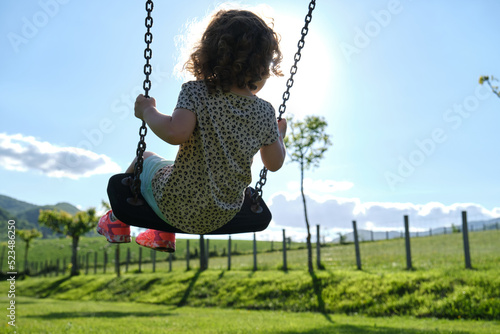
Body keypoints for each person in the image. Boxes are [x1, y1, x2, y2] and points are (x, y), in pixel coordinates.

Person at [97, 9, 287, 252]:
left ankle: (116, 221)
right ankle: (162, 235)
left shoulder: (197, 91)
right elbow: (273, 163)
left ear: (209, 55)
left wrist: (147, 112)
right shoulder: (265, 112)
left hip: (174, 203)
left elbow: (176, 133)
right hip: (224, 214)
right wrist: (278, 136)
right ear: (263, 66)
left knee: (145, 159)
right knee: (174, 169)